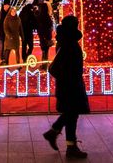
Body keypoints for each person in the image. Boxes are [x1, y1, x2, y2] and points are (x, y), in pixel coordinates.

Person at [42, 15, 89, 159]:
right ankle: (69, 145)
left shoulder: (65, 40)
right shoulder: (69, 43)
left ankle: (58, 135)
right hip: (70, 85)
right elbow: (64, 66)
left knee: (71, 113)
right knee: (72, 113)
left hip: (68, 84)